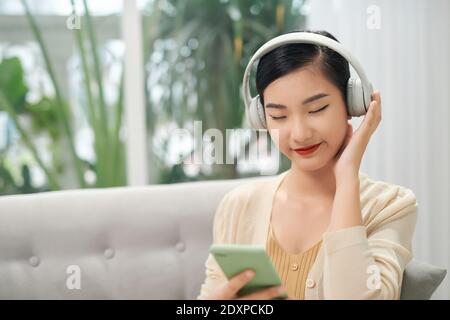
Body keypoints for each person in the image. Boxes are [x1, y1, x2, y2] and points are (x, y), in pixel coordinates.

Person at [197, 30, 418, 300]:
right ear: (261, 118)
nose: (299, 134)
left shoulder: (391, 206)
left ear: (352, 104)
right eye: (278, 115)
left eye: (316, 110)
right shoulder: (238, 206)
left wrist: (347, 178)